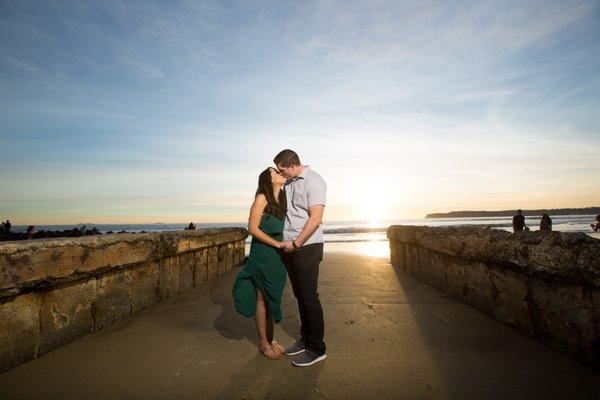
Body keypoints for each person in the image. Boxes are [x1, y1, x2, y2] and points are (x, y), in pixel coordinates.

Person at [275, 149, 328, 367]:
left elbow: (316, 218)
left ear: (292, 166)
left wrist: (297, 243)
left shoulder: (314, 181)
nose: (280, 174)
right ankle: (306, 340)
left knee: (309, 297)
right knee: (299, 295)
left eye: (281, 170)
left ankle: (317, 349)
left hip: (307, 245)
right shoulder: (288, 183)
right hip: (290, 246)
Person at [232, 167, 288, 360]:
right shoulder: (261, 197)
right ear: (268, 179)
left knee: (273, 297)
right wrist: (276, 244)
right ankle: (264, 342)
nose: (280, 173)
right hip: (264, 253)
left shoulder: (283, 198)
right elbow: (252, 228)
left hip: (278, 257)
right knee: (262, 298)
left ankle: (271, 339)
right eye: (275, 172)